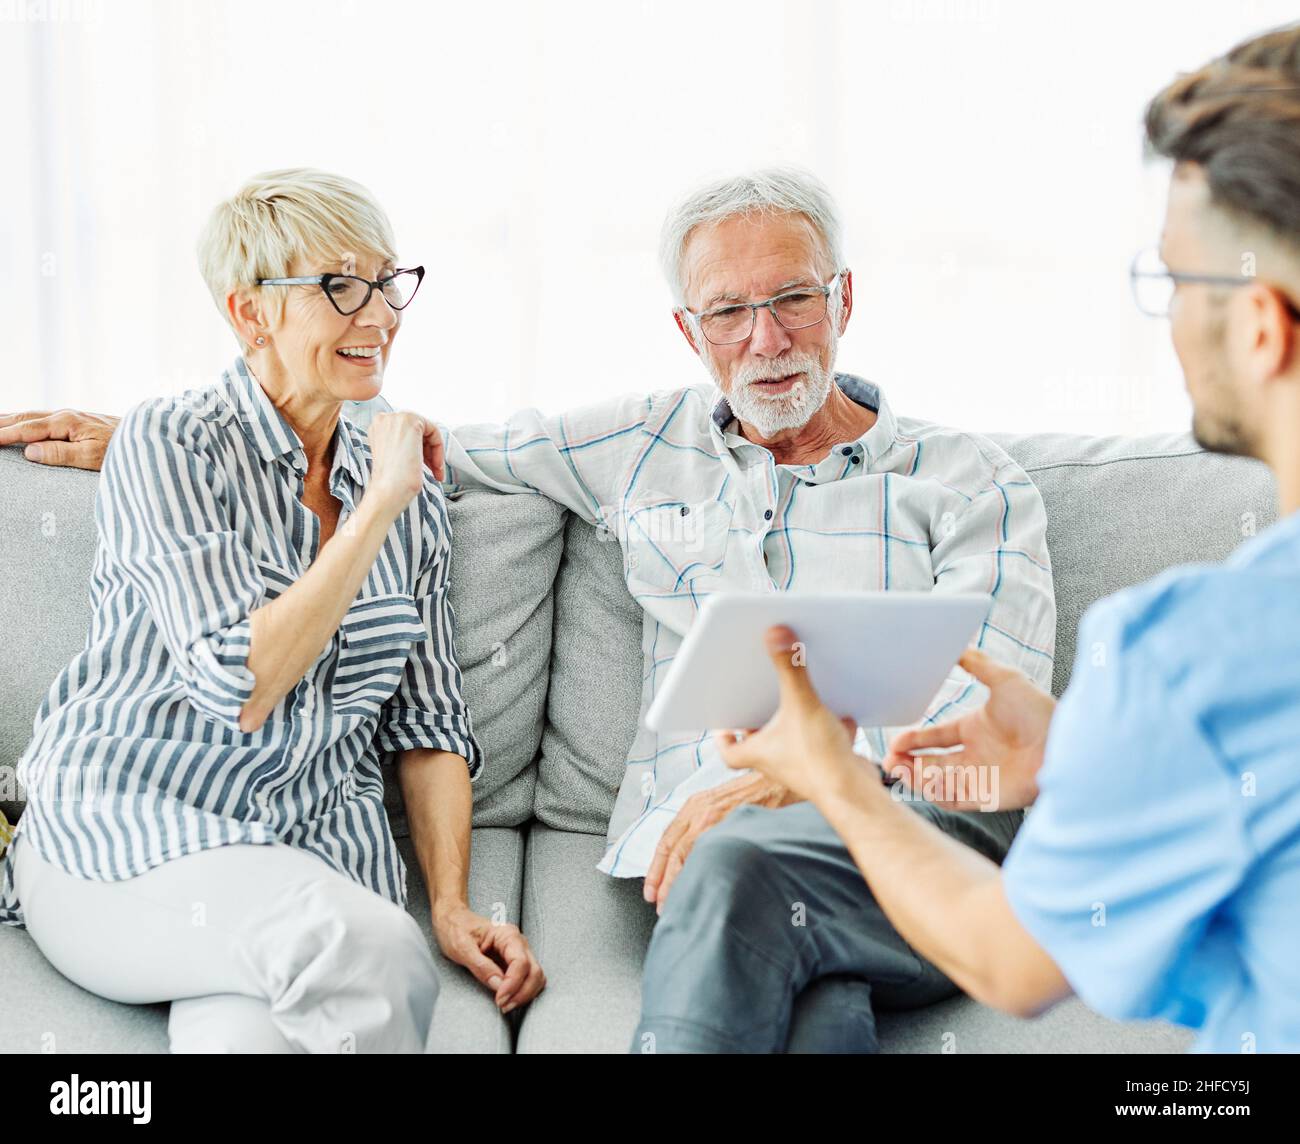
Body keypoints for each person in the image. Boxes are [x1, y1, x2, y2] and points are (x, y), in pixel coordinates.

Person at [1, 167, 1055, 1052]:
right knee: (811, 997)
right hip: (699, 865)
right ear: (688, 332)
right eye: (727, 312)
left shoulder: (969, 483)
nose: (764, 338)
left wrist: (816, 779)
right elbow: (416, 449)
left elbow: (999, 736)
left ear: (843, 301)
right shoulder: (638, 444)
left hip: (900, 842)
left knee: (751, 869)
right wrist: (134, 436)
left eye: (791, 299)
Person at [715, 23, 1300, 1054]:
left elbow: (1011, 956)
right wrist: (1084, 746)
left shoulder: (1196, 650)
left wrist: (830, 772)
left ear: (1258, 326)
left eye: (1172, 280)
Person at [0, 168, 544, 1052]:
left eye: (387, 282)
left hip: (303, 857)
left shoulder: (410, 490)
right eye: (340, 287)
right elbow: (242, 686)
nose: (379, 317)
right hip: (126, 834)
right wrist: (374, 512)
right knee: (368, 951)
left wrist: (448, 903)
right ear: (250, 314)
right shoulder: (169, 442)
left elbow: (428, 719)